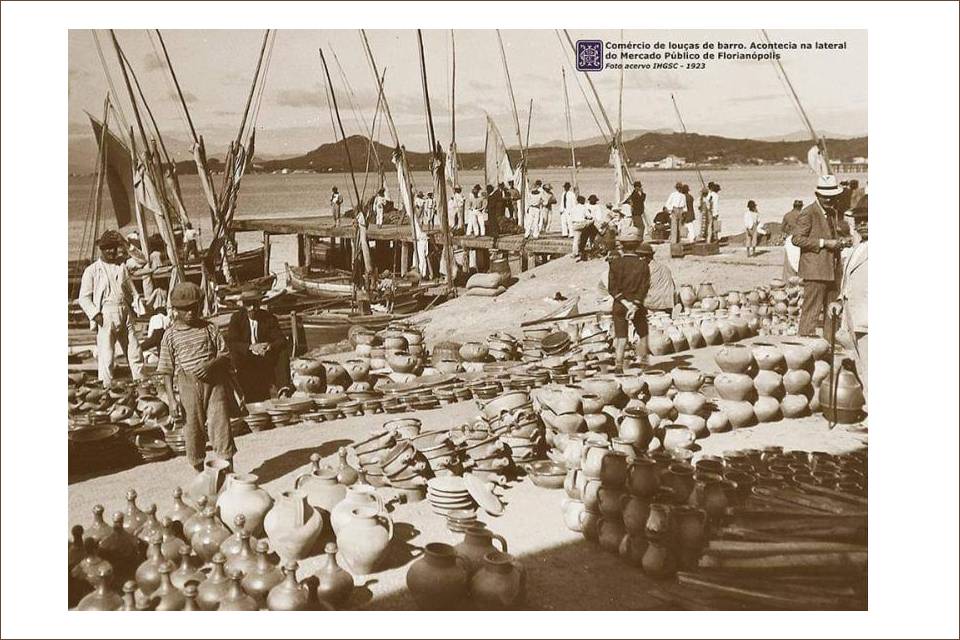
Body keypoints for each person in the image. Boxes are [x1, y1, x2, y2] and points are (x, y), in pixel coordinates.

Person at [158, 282, 236, 473]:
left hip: (215, 385)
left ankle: (229, 477)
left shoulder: (210, 329)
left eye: (194, 308)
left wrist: (211, 365)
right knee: (192, 432)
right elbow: (166, 371)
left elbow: (225, 355)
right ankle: (202, 478)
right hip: (188, 388)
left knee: (221, 429)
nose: (190, 313)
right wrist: (171, 400)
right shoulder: (170, 336)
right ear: (175, 310)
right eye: (185, 310)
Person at [77, 230, 145, 386]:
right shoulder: (92, 270)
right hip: (105, 313)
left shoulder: (123, 264)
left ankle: (142, 385)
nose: (111, 251)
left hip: (124, 311)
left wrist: (126, 244)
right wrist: (96, 315)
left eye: (114, 247)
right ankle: (106, 388)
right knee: (106, 355)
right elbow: (84, 298)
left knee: (134, 351)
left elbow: (142, 261)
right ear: (101, 248)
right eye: (107, 247)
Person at [792, 175, 850, 337]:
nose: (830, 201)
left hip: (831, 269)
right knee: (811, 312)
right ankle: (804, 344)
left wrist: (840, 241)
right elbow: (796, 239)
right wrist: (825, 243)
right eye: (826, 198)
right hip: (815, 271)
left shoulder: (831, 212)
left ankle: (829, 346)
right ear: (817, 195)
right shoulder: (808, 213)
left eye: (833, 197)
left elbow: (831, 234)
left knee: (833, 313)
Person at [831, 187, 868, 395]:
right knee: (863, 368)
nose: (863, 224)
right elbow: (850, 281)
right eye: (860, 220)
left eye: (868, 220)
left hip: (868, 318)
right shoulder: (858, 248)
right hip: (855, 318)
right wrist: (839, 300)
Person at [227, 290, 293, 402]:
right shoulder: (237, 318)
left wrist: (270, 346)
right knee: (234, 354)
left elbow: (281, 339)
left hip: (264, 356)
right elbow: (232, 342)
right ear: (243, 305)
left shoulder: (268, 318)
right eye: (249, 305)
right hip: (246, 357)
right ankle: (238, 393)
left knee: (282, 352)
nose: (252, 308)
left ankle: (283, 390)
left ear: (259, 303)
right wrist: (251, 347)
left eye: (255, 304)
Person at [608, 229, 652, 370]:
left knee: (621, 338)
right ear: (638, 244)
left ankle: (619, 366)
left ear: (622, 245)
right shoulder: (643, 265)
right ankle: (644, 365)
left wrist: (625, 303)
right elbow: (644, 288)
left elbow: (612, 288)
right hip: (636, 305)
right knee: (643, 334)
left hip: (619, 304)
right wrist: (633, 306)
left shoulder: (615, 264)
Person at [781, 199, 804, 279]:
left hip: (791, 240)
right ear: (801, 206)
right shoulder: (804, 214)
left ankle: (788, 283)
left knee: (789, 264)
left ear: (793, 206)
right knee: (801, 261)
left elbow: (783, 228)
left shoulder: (787, 215)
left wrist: (790, 231)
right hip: (802, 239)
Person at [568, 195, 594, 261]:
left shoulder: (573, 208)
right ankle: (589, 244)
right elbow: (589, 216)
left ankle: (575, 253)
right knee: (591, 222)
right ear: (582, 201)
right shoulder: (584, 207)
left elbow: (570, 215)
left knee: (576, 239)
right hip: (582, 224)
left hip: (575, 224)